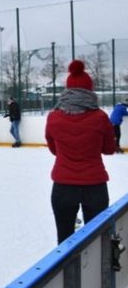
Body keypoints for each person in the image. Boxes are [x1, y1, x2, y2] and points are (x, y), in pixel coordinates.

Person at [45, 59, 116, 244]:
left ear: (67, 91)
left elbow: (54, 149)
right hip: (95, 185)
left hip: (63, 186)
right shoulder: (100, 117)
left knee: (64, 242)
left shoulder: (53, 117)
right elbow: (109, 149)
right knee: (96, 242)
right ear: (90, 91)